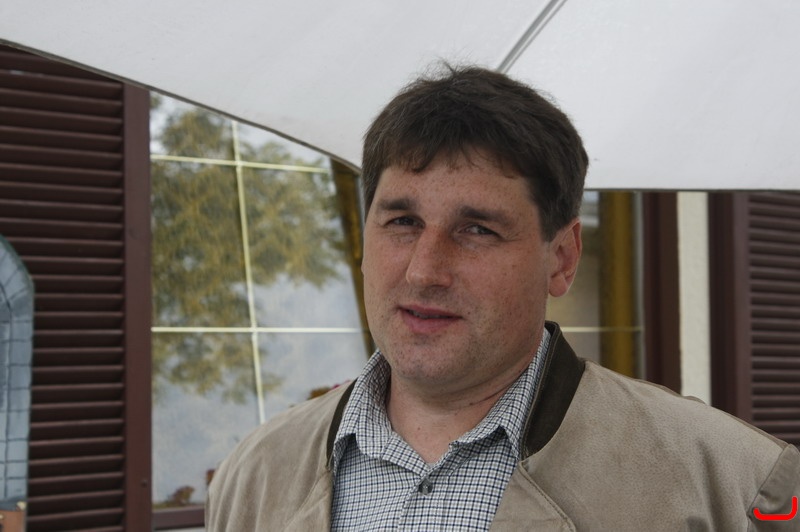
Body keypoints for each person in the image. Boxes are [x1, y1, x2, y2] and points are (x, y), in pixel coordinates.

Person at [206, 65, 799, 531]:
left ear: (561, 258)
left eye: (477, 229)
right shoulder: (254, 476)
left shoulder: (736, 487)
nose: (425, 270)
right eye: (403, 222)